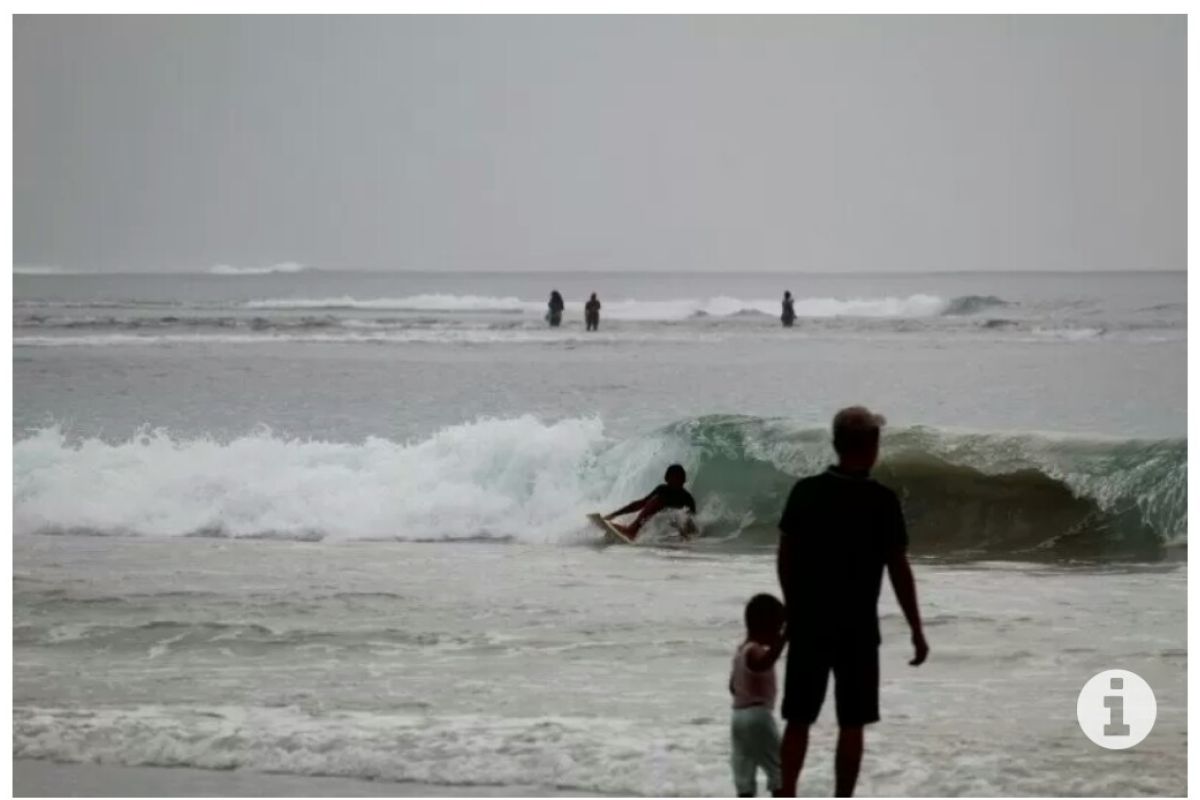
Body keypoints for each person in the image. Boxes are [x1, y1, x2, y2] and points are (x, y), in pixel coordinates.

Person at [776, 407, 928, 797]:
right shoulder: (881, 501)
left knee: (798, 720)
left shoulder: (806, 491)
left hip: (809, 622)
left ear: (836, 443)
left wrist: (792, 609)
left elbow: (786, 556)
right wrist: (915, 628)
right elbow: (898, 569)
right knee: (852, 723)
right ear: (873, 446)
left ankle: (786, 792)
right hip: (858, 629)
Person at [729, 593, 789, 797]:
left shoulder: (740, 652)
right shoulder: (754, 650)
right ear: (767, 627)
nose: (778, 632)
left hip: (737, 717)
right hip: (758, 716)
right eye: (777, 628)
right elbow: (763, 663)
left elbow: (732, 687)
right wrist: (783, 640)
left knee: (744, 766)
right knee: (778, 766)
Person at [605, 463, 697, 540]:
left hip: (674, 530)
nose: (676, 481)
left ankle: (632, 531)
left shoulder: (687, 499)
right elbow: (640, 504)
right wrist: (615, 514)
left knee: (682, 516)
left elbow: (691, 522)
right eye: (674, 478)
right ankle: (632, 530)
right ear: (667, 479)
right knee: (656, 501)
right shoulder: (662, 490)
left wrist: (689, 538)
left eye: (679, 478)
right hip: (659, 524)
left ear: (683, 480)